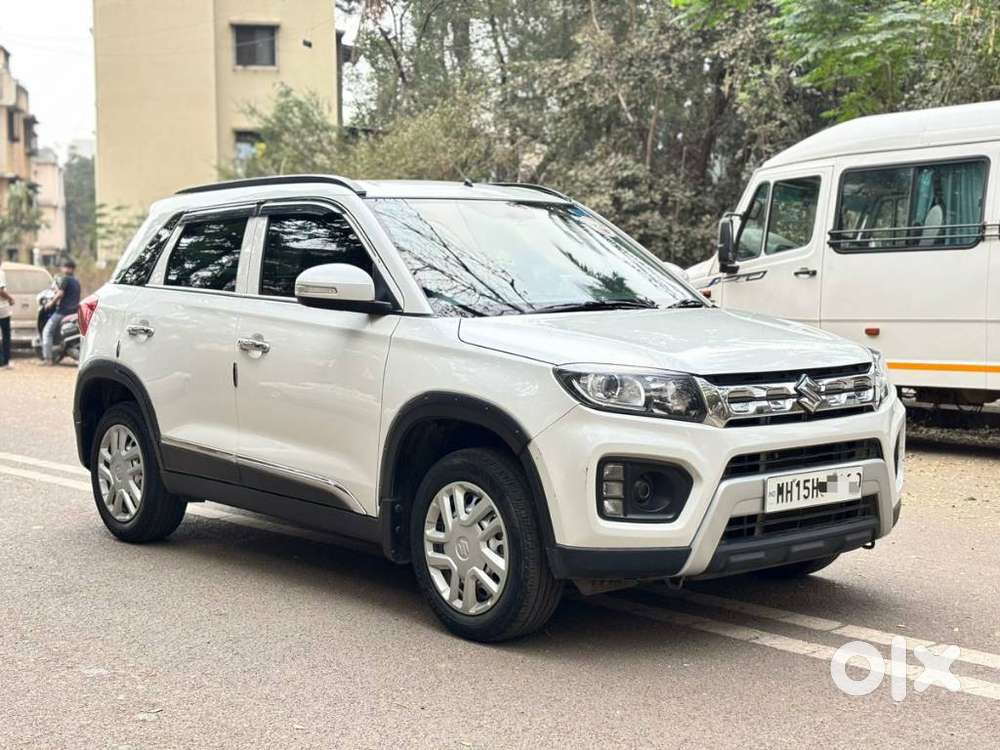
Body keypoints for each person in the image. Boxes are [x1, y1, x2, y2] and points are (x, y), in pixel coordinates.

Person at [41, 258, 81, 366]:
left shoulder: (65, 279)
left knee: (47, 331)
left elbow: (60, 294)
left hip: (63, 311)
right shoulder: (76, 281)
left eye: (63, 267)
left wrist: (51, 303)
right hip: (73, 312)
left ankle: (47, 359)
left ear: (66, 268)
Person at [0, 258, 14, 369]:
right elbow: (0, 290)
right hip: (2, 309)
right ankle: (5, 362)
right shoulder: (1, 273)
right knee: (6, 335)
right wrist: (10, 298)